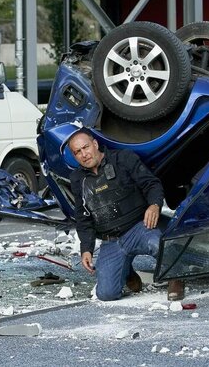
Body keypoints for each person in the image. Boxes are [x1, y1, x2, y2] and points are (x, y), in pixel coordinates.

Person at [68, 129, 185, 302]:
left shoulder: (123, 159)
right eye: (78, 152)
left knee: (157, 243)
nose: (84, 154)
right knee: (107, 294)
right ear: (75, 156)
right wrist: (86, 249)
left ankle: (175, 277)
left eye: (86, 147)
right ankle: (127, 271)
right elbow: (83, 217)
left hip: (139, 228)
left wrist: (154, 205)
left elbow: (151, 184)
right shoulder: (78, 179)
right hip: (111, 241)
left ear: (95, 144)